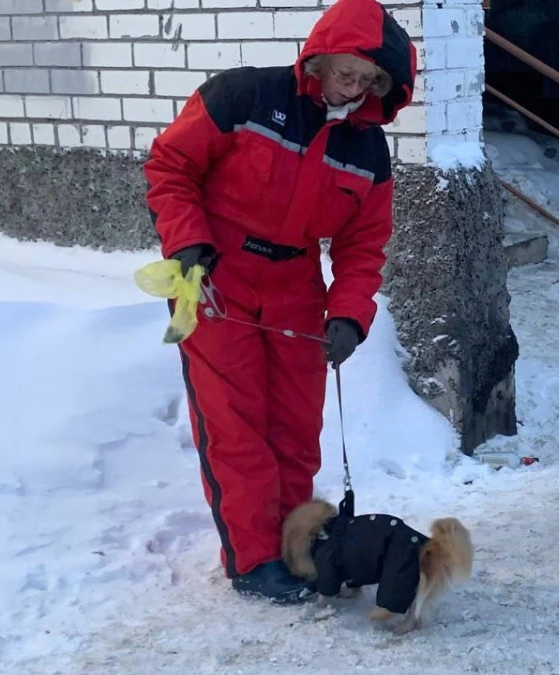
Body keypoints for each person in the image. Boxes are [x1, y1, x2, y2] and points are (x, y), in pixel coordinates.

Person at [143, 0, 417, 604]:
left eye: (370, 82)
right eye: (348, 72)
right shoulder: (242, 97)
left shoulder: (368, 149)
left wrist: (349, 312)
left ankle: (298, 547)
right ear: (318, 57)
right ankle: (253, 559)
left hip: (297, 286)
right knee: (236, 429)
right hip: (217, 278)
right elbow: (170, 168)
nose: (355, 88)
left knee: (296, 429)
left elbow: (363, 244)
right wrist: (187, 243)